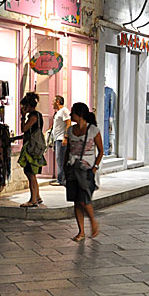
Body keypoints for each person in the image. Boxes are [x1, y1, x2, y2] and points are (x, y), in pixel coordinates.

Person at [64, 102, 103, 242]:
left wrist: (94, 168)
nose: (70, 115)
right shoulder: (70, 130)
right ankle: (81, 231)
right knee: (76, 201)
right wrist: (64, 166)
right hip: (72, 168)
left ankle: (93, 222)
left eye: (73, 112)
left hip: (86, 170)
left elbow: (101, 151)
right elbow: (68, 150)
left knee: (84, 200)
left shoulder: (93, 130)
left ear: (79, 114)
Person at [17, 92, 45, 208]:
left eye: (24, 106)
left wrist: (22, 117)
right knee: (31, 173)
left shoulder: (33, 116)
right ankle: (37, 197)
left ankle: (33, 200)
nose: (23, 108)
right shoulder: (37, 115)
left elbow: (24, 129)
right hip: (34, 147)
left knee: (30, 173)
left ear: (28, 105)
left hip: (31, 149)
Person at [50, 96, 72, 186]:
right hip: (57, 138)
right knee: (59, 158)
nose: (52, 103)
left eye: (53, 101)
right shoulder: (58, 112)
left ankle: (61, 179)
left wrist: (65, 137)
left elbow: (68, 123)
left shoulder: (64, 111)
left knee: (61, 159)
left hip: (61, 138)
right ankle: (61, 178)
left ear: (58, 102)